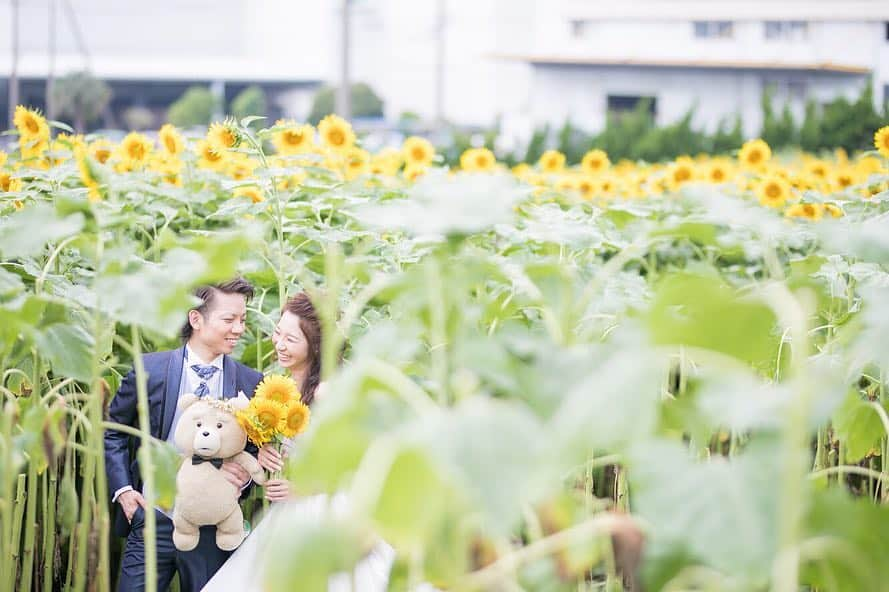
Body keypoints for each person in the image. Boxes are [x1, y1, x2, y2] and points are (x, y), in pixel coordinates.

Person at [201, 292, 394, 592]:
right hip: (285, 513)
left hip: (327, 510)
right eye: (278, 333)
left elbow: (357, 463)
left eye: (290, 339)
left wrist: (305, 488)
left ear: (315, 345)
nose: (279, 344)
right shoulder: (278, 389)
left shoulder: (331, 392)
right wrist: (266, 452)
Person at [104, 278, 264, 592]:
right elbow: (113, 431)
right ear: (196, 319)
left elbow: (257, 447)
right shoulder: (150, 370)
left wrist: (241, 477)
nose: (238, 328)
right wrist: (124, 491)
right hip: (152, 517)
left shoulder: (251, 382)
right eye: (229, 319)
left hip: (213, 525)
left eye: (243, 320)